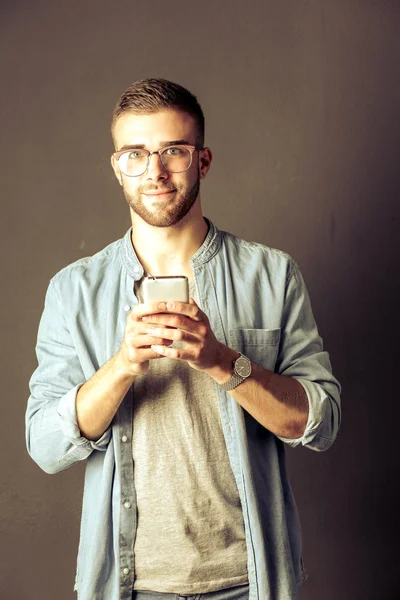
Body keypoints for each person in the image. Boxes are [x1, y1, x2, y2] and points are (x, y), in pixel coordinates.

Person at [25, 78, 341, 600]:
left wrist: (223, 363)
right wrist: (123, 365)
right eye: (136, 153)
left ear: (203, 160)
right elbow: (45, 445)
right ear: (117, 166)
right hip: (128, 586)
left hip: (251, 580)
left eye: (173, 150)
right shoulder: (72, 290)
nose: (155, 170)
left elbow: (321, 422)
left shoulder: (272, 274)